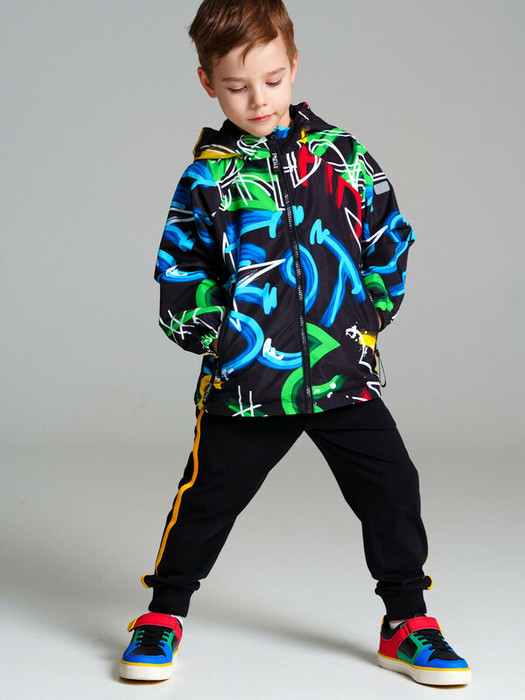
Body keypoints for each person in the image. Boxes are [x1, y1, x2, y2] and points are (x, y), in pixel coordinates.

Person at [120, 0, 471, 687]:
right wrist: (221, 337)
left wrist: (366, 317)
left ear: (294, 66)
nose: (258, 99)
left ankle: (406, 622)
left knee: (393, 487)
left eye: (272, 80)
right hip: (249, 382)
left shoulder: (342, 155)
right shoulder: (208, 179)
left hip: (342, 372)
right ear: (207, 83)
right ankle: (162, 613)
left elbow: (389, 237)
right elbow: (180, 269)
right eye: (236, 86)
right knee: (207, 498)